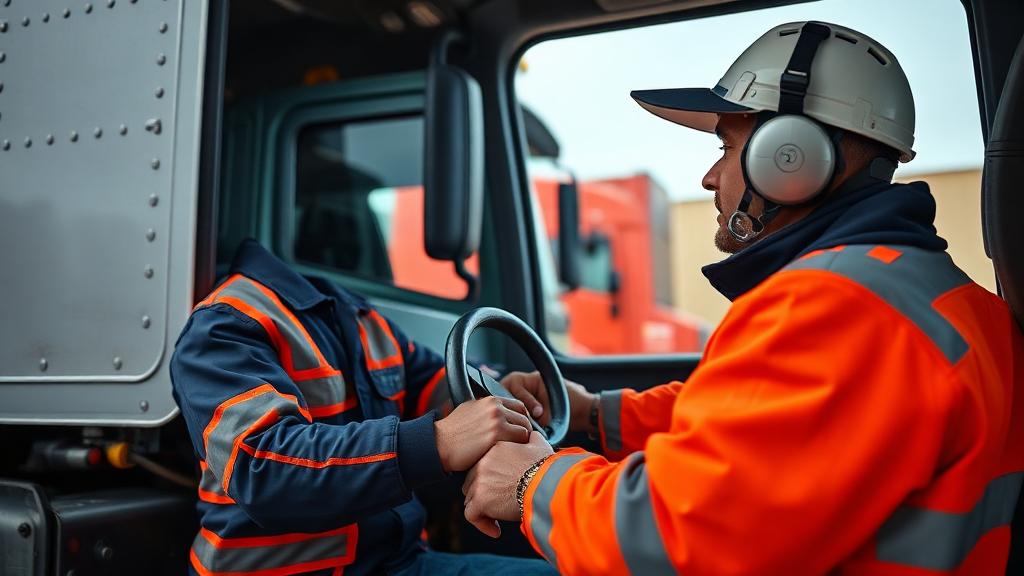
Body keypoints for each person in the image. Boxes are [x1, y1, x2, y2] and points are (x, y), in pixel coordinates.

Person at [464, 21, 1024, 575]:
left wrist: (530, 484)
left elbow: (674, 541)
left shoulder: (832, 306)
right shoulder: (945, 296)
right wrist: (597, 413)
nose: (710, 178)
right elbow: (768, 424)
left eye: (727, 147)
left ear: (791, 157)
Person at [171, 239, 556, 575]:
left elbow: (433, 385)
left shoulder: (358, 318)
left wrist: (499, 392)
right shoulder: (226, 325)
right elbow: (264, 469)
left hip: (397, 563)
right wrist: (439, 441)